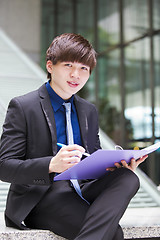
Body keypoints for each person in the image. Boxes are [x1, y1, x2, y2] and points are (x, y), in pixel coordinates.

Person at [0, 33, 147, 240]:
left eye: (84, 68)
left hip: (83, 188)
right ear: (50, 66)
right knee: (113, 234)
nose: (76, 75)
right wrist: (51, 164)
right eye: (68, 65)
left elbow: (92, 158)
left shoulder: (89, 111)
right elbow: (4, 166)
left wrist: (117, 165)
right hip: (43, 196)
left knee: (127, 177)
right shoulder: (23, 106)